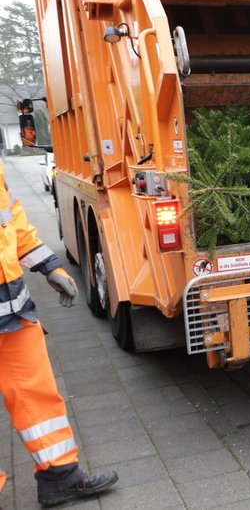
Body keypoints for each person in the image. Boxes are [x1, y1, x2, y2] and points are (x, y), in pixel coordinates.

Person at [0, 160, 118, 507]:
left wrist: (48, 265)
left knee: (37, 390)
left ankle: (59, 475)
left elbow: (10, 217)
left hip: (11, 304)